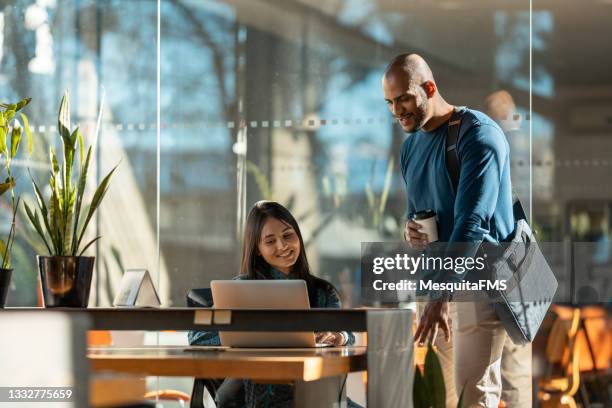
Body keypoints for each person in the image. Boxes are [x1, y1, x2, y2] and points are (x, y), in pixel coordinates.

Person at [382, 53, 516, 407]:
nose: (397, 111)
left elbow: (472, 223)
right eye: (390, 103)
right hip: (437, 288)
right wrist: (411, 232)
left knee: (474, 396)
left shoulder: (479, 134)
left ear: (428, 88)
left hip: (479, 285)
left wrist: (441, 294)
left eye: (404, 98)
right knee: (442, 398)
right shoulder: (410, 147)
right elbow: (420, 214)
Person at [189, 200, 355, 408]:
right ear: (257, 249)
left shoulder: (323, 291)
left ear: (298, 237)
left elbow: (348, 334)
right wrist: (251, 332)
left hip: (316, 393)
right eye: (270, 241)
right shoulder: (240, 289)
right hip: (256, 396)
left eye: (288, 236)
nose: (282, 246)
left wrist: (338, 337)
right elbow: (197, 336)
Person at [484, 90, 533, 408]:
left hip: (510, 267)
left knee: (512, 372)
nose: (511, 119)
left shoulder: (500, 154)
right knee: (506, 374)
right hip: (509, 267)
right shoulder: (504, 151)